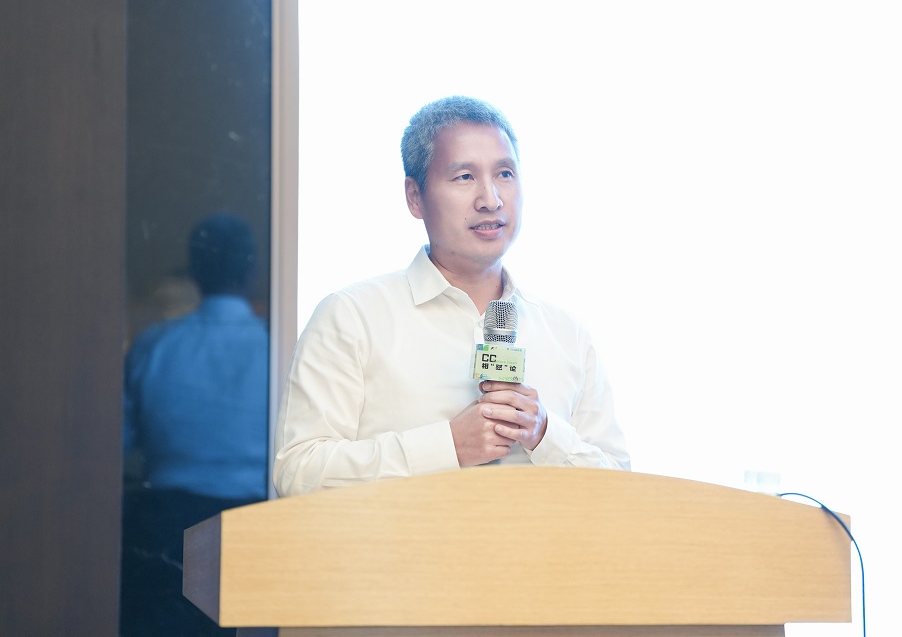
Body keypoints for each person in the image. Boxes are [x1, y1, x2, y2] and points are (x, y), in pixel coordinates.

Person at [273, 96, 628, 496]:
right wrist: (447, 447)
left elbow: (620, 490)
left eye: (505, 173)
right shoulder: (352, 317)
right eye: (464, 177)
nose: (491, 199)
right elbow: (298, 473)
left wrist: (546, 433)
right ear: (415, 197)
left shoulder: (567, 334)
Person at [121, 212, 269, 636]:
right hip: (255, 530)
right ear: (251, 270)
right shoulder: (280, 348)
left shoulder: (154, 345)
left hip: (164, 535)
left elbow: (119, 440)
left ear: (195, 271)